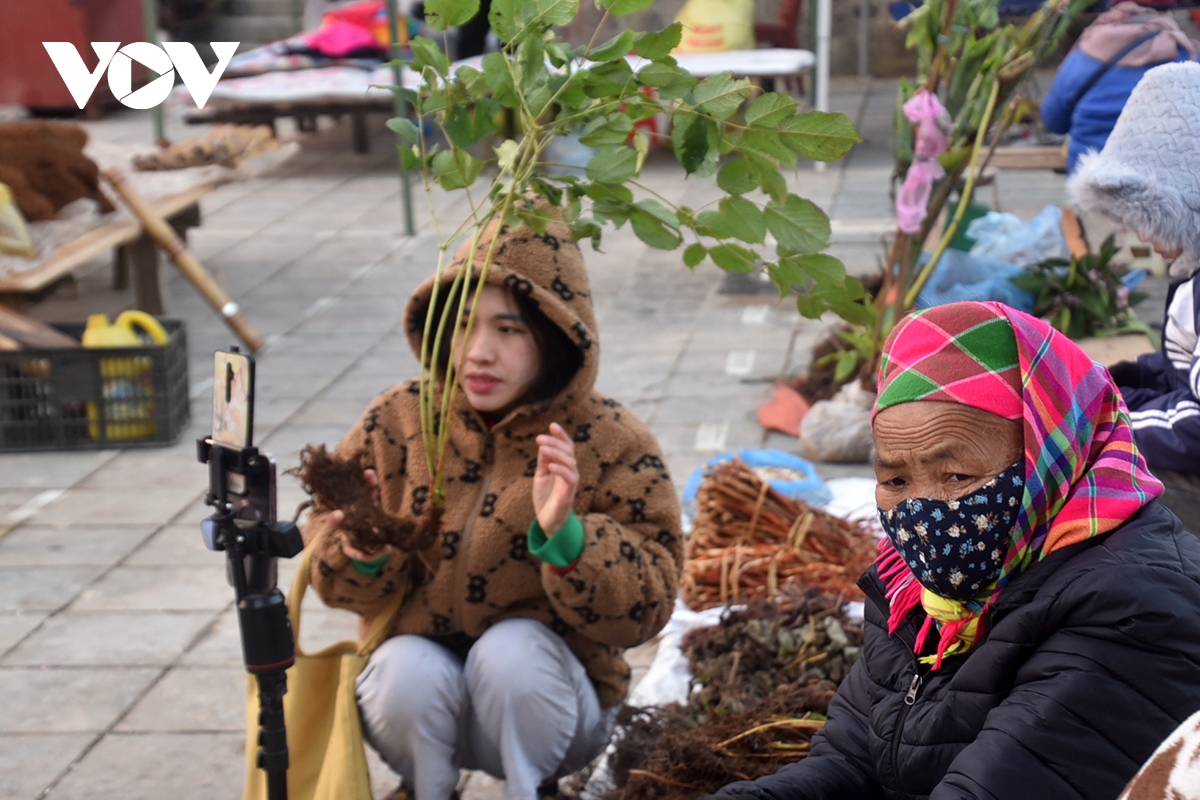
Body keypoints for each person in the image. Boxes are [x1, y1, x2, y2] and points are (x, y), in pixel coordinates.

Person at [706, 300, 1200, 800]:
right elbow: (851, 759)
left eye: (957, 476)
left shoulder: (1133, 605)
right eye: (895, 478)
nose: (923, 512)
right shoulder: (918, 595)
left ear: (1052, 452)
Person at [300, 214, 684, 800]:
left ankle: (531, 791)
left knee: (512, 654)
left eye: (509, 330)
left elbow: (649, 607)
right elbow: (328, 574)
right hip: (424, 712)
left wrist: (568, 536)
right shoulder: (397, 421)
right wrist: (363, 553)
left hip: (555, 709)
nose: (478, 353)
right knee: (403, 666)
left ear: (555, 335)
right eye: (461, 326)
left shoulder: (611, 439)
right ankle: (426, 790)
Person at [1070, 61, 1200, 531]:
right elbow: (1184, 372)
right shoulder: (1191, 269)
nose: (1143, 235)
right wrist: (1110, 387)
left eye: (1154, 215)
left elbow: (1196, 426)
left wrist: (1104, 430)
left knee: (1096, 491)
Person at [1041, 2, 1196, 175]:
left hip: (1092, 187)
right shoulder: (1187, 58)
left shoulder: (1085, 55)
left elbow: (1053, 121)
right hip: (1166, 190)